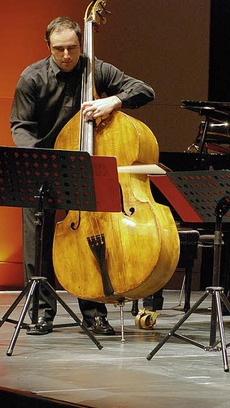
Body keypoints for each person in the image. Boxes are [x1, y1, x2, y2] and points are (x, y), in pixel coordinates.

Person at [10, 16, 156, 336]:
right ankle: (41, 313)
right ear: (47, 46)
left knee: (89, 237)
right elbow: (21, 126)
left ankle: (94, 312)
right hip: (47, 164)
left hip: (86, 168)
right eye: (59, 49)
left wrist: (113, 100)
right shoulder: (31, 78)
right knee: (38, 240)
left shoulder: (97, 70)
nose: (66, 56)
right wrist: (38, 163)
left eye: (72, 49)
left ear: (80, 44)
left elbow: (144, 91)